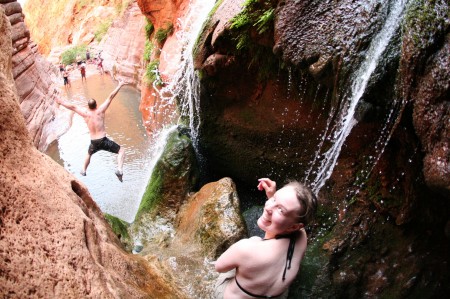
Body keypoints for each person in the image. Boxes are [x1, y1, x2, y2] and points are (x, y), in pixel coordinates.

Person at [214, 178, 317, 299]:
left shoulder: (247, 248)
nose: (268, 207)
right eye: (274, 199)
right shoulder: (302, 236)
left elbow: (219, 268)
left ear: (294, 226)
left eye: (280, 210)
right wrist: (272, 197)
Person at [56, 80, 129, 182]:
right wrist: (120, 85)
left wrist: (60, 102)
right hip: (103, 140)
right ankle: (119, 170)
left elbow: (72, 106)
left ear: (88, 106)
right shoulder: (100, 111)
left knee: (89, 154)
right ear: (96, 105)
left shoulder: (85, 113)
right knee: (121, 151)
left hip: (93, 142)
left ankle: (83, 169)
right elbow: (110, 97)